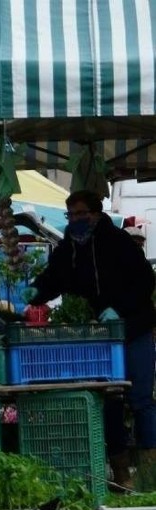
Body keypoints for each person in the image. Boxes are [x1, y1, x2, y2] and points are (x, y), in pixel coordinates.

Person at [23, 190, 156, 490]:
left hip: (134, 327)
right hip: (101, 334)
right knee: (109, 398)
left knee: (141, 401)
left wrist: (119, 309)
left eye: (81, 214)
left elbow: (146, 280)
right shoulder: (69, 246)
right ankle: (121, 474)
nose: (76, 221)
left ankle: (150, 475)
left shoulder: (118, 241)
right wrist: (36, 291)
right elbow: (53, 277)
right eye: (71, 215)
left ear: (96, 214)